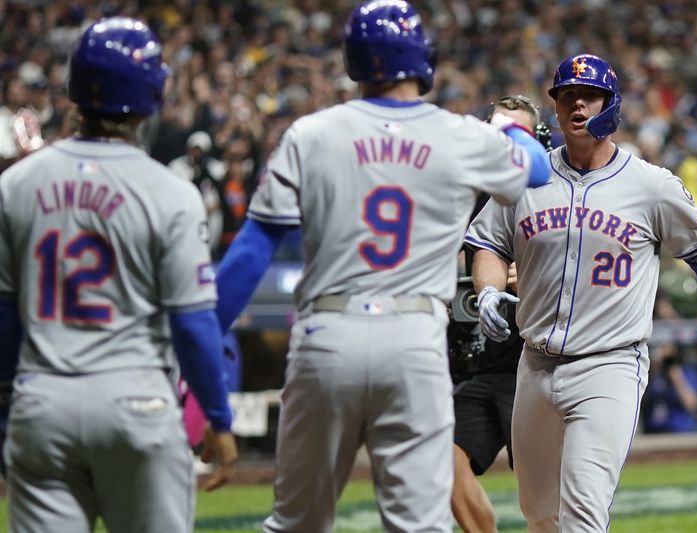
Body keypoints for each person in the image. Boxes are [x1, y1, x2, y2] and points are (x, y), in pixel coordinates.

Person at [212, 2, 549, 531]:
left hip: (327, 333)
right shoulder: (458, 134)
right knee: (418, 525)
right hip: (413, 337)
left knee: (295, 522)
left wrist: (202, 350)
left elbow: (250, 254)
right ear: (424, 62)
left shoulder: (310, 133)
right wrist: (509, 130)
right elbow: (537, 168)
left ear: (353, 61)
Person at [466, 53, 697, 532]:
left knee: (583, 512)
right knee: (539, 513)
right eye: (566, 96)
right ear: (556, 109)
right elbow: (487, 244)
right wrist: (488, 291)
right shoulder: (523, 180)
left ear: (612, 103)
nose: (577, 104)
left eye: (589, 95)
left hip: (610, 365)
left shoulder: (651, 186)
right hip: (535, 364)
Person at [0, 17, 237, 533]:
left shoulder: (16, 185)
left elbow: (4, 316)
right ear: (152, 94)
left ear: (75, 90)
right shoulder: (171, 192)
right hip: (137, 399)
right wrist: (217, 417)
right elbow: (193, 323)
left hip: (44, 399)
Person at [449, 94, 551, 533]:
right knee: (440, 463)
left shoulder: (549, 196)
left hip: (534, 363)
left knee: (547, 497)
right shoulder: (457, 195)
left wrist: (529, 273)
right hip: (478, 364)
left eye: (516, 133)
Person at [168, 130, 227, 260]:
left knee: (209, 254)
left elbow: (222, 195)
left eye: (200, 150)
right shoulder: (177, 166)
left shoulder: (215, 168)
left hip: (211, 218)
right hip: (185, 215)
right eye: (195, 149)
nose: (197, 154)